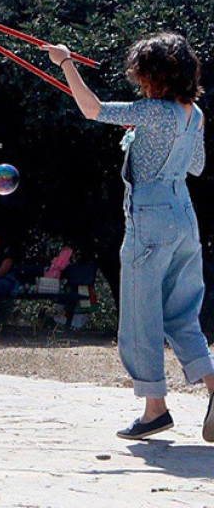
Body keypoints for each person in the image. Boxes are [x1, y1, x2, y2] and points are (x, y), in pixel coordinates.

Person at [44, 34, 214, 441]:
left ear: (154, 75)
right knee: (181, 314)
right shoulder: (194, 114)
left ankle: (155, 409)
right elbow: (196, 166)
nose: (139, 83)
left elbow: (92, 109)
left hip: (150, 218)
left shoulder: (152, 111)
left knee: (141, 317)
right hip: (184, 217)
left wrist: (65, 62)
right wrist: (152, 132)